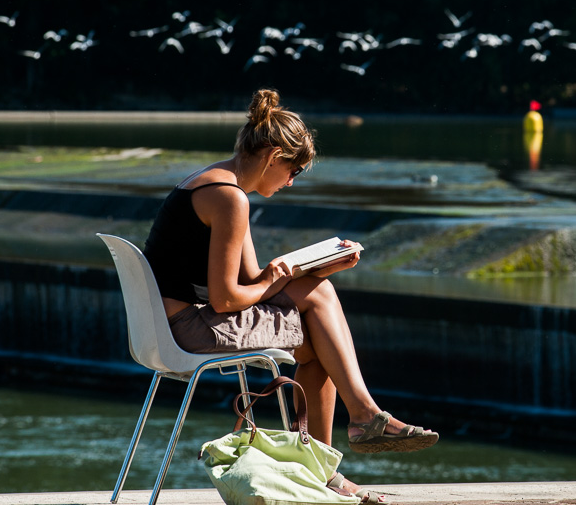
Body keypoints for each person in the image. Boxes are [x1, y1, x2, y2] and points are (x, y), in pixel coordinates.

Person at [143, 88, 438, 500]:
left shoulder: (217, 183)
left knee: (317, 314)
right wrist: (284, 276)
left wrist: (311, 268)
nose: (291, 182)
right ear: (273, 156)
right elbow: (228, 299)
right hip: (189, 329)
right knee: (319, 302)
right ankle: (360, 422)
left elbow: (251, 277)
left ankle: (340, 449)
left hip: (173, 323)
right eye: (293, 170)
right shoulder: (229, 200)